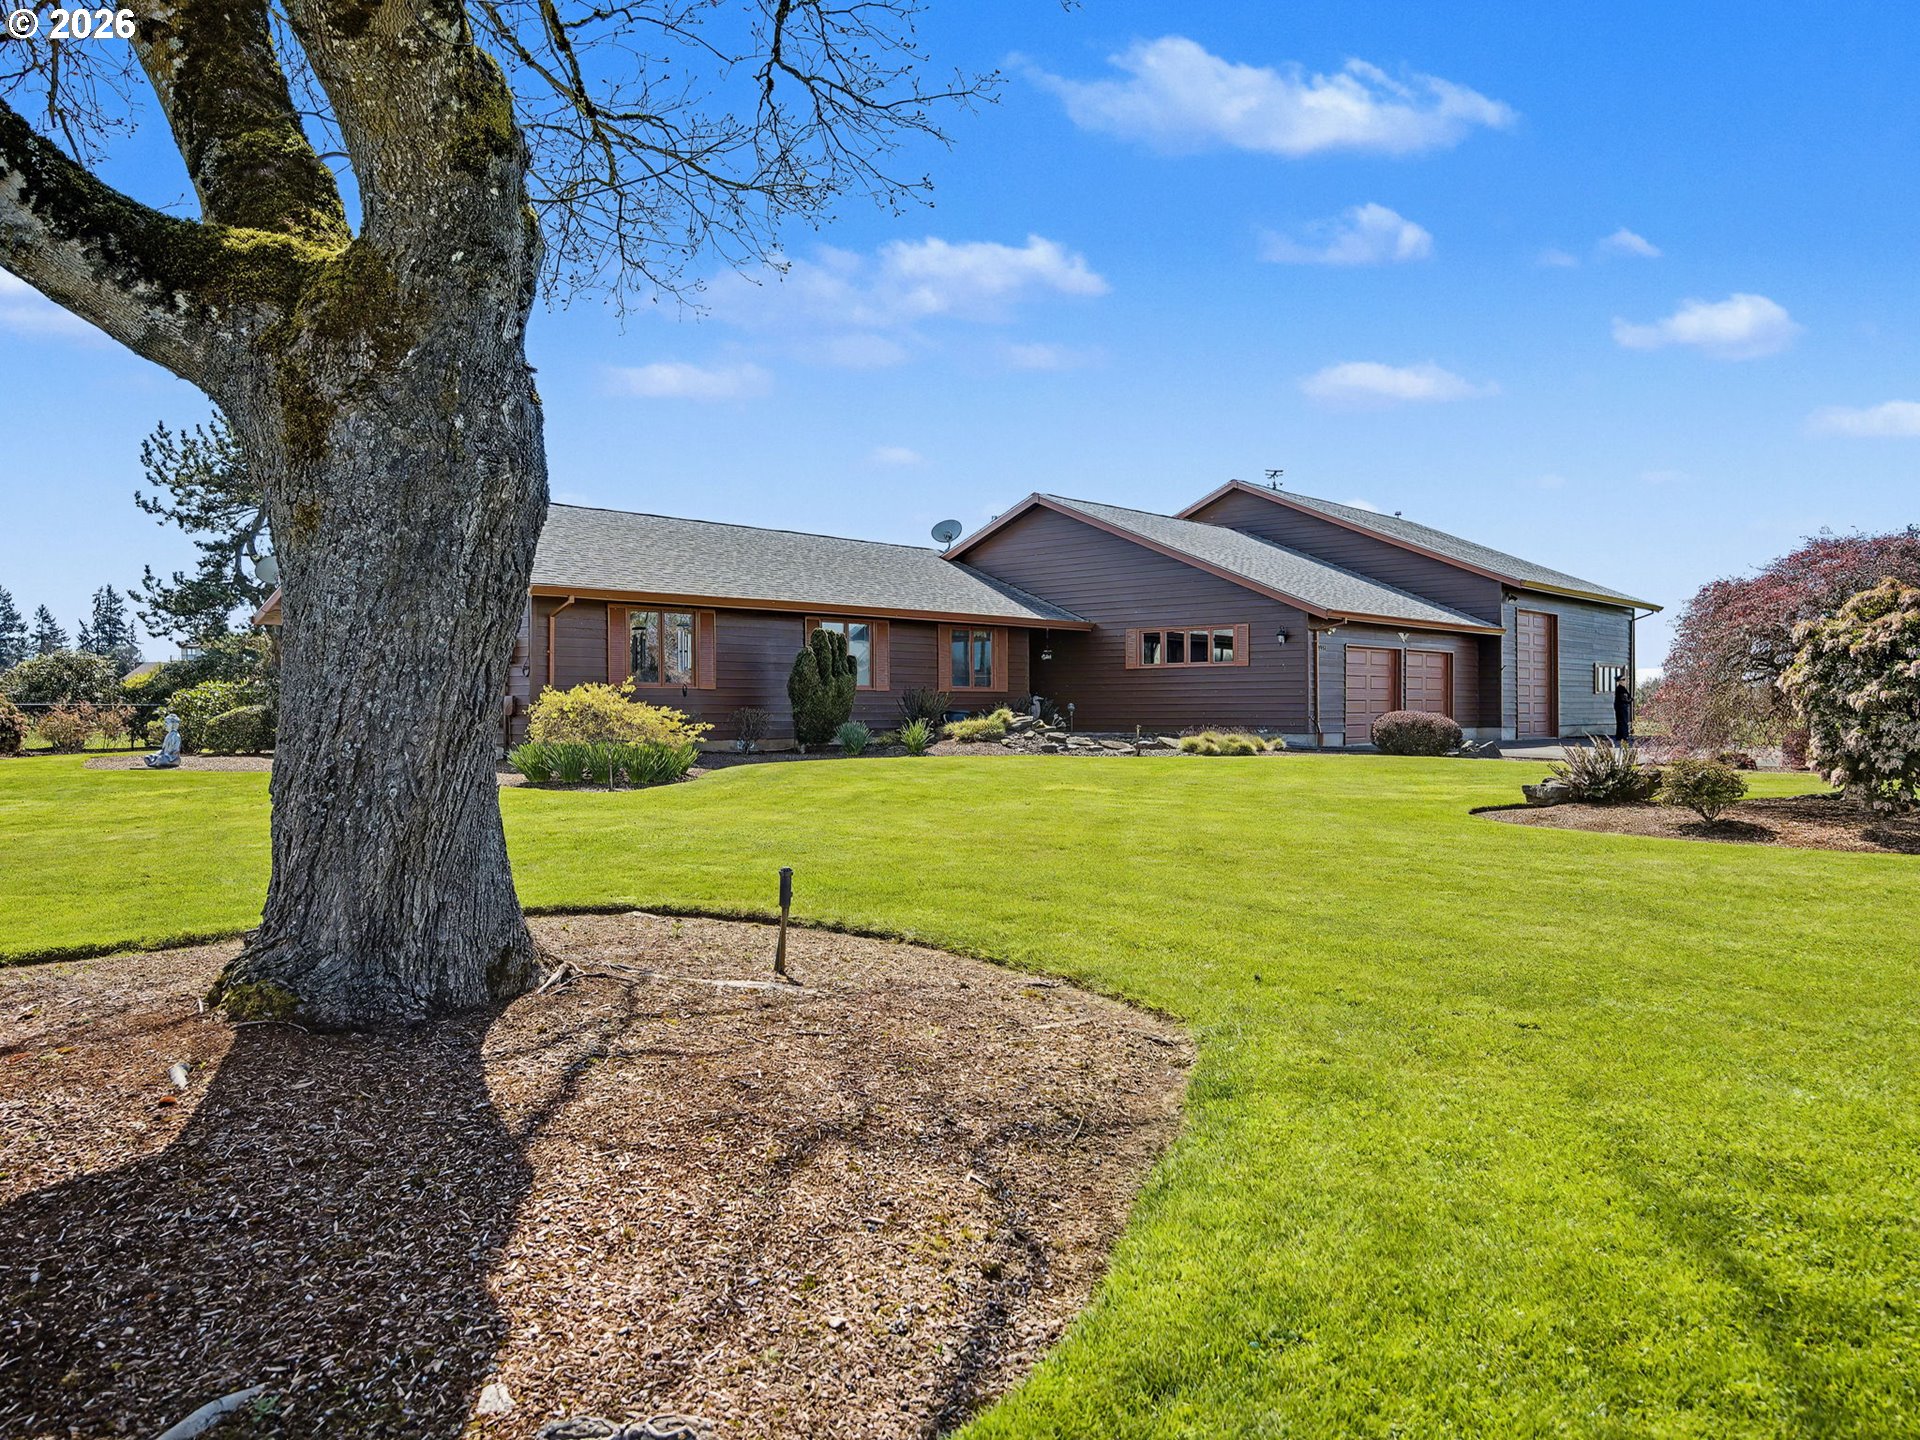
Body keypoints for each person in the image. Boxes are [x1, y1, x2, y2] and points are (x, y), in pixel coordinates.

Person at [1613, 673, 1633, 743]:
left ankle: (1620, 736)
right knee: (1623, 721)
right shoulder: (1621, 689)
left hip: (1619, 706)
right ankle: (1624, 736)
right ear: (1620, 681)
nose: (1625, 681)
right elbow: (1624, 699)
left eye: (1625, 679)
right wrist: (1630, 700)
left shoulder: (1621, 688)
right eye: (1624, 679)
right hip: (1622, 707)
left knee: (1620, 721)